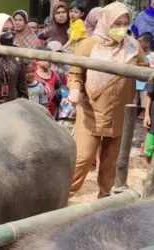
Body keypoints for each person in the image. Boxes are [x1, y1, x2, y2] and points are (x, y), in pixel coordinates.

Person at [67, 2, 146, 199]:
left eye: (124, 23)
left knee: (112, 162)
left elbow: (144, 71)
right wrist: (75, 90)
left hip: (120, 115)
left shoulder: (133, 46)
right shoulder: (88, 45)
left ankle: (104, 199)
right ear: (104, 21)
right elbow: (75, 74)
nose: (120, 28)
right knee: (82, 159)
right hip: (91, 112)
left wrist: (148, 69)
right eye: (116, 23)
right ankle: (62, 196)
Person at [136, 32, 154, 120]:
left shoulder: (152, 55)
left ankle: (144, 110)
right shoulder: (138, 55)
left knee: (144, 94)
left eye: (140, 42)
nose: (138, 44)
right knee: (135, 97)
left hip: (146, 82)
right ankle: (135, 109)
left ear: (147, 43)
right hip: (137, 81)